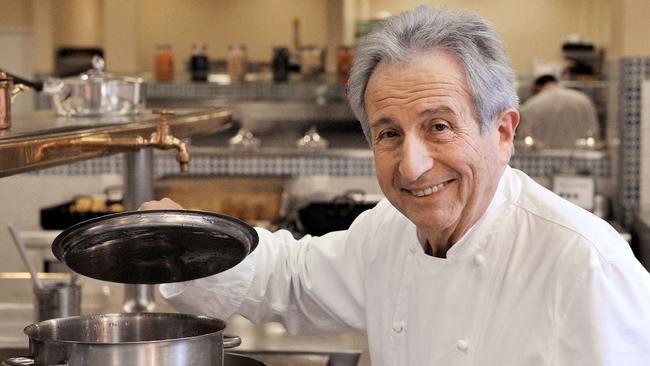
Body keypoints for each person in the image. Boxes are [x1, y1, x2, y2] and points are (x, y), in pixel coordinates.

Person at [141, 6, 650, 365]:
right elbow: (292, 279)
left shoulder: (585, 265)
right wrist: (190, 240)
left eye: (439, 126)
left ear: (502, 133)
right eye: (389, 134)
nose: (412, 167)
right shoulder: (389, 232)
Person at [518, 74, 600, 149]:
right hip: (580, 158)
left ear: (537, 87)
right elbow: (594, 132)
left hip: (544, 159)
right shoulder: (583, 100)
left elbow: (524, 138)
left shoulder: (532, 104)